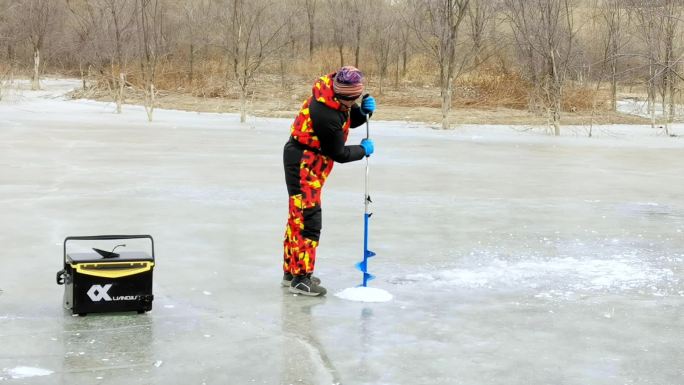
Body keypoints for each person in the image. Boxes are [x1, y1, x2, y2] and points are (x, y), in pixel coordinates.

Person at [282, 66, 376, 296]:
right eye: (350, 101)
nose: (351, 105)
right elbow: (339, 152)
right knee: (308, 220)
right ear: (341, 95)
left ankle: (292, 272)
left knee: (299, 216)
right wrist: (362, 150)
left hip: (311, 163)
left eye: (355, 100)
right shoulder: (324, 112)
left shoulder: (333, 98)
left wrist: (361, 114)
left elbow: (343, 119)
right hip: (303, 164)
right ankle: (301, 279)